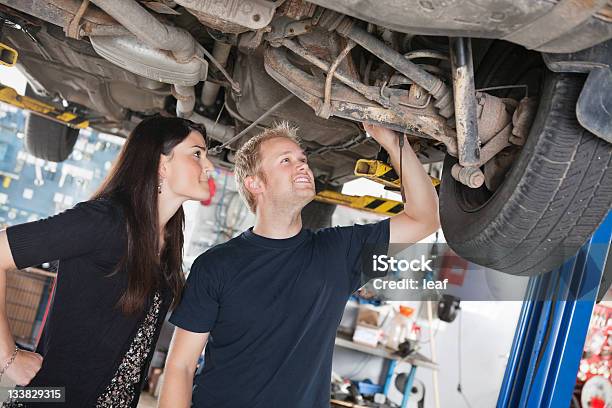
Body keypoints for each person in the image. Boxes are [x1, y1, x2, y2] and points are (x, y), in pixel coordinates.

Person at [160, 121, 440, 408]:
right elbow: (180, 366)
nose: (302, 166)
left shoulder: (339, 251)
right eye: (286, 161)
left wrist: (395, 144)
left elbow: (425, 217)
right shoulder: (216, 265)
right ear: (255, 183)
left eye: (303, 160)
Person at [0, 116, 215, 407]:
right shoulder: (104, 221)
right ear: (161, 165)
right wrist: (8, 358)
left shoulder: (168, 244)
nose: (209, 166)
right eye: (197, 154)